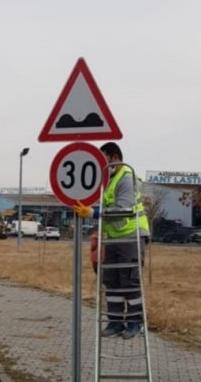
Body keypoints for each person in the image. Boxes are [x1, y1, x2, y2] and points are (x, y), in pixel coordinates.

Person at [74, 142, 150, 340]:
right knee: (112, 282)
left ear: (114, 158)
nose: (100, 165)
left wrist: (94, 213)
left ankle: (135, 322)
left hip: (131, 235)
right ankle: (115, 321)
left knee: (129, 281)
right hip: (114, 238)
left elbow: (123, 209)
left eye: (103, 160)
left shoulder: (126, 177)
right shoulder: (108, 180)